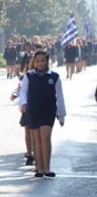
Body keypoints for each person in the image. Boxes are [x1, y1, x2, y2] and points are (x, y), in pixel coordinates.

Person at [19, 50, 66, 178]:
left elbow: (60, 96)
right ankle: (39, 168)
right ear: (34, 62)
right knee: (38, 140)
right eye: (38, 61)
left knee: (45, 137)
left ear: (47, 61)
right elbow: (23, 92)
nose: (40, 63)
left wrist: (61, 114)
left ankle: (47, 168)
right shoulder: (29, 75)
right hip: (33, 111)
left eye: (43, 61)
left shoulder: (54, 76)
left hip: (48, 111)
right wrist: (23, 103)